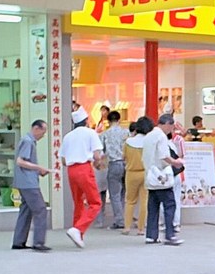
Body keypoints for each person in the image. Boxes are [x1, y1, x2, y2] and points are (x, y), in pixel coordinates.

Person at [60, 106, 104, 248]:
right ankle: (78, 229)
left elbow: (63, 160)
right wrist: (98, 163)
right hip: (84, 168)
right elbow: (97, 155)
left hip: (71, 170)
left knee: (78, 202)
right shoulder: (91, 133)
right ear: (86, 121)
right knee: (95, 202)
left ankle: (78, 233)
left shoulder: (68, 136)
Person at [142, 114, 185, 246]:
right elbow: (164, 156)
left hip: (150, 175)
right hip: (162, 177)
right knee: (169, 205)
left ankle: (151, 235)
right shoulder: (161, 136)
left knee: (153, 207)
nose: (171, 130)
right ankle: (170, 235)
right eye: (171, 127)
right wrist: (176, 162)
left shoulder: (148, 136)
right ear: (167, 124)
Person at [11, 119, 51, 252]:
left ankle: (19, 241)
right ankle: (38, 242)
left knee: (26, 210)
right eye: (43, 132)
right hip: (28, 183)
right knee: (40, 209)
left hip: (23, 181)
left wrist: (38, 171)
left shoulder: (27, 141)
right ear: (36, 128)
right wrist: (39, 168)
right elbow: (20, 161)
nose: (43, 135)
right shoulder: (28, 141)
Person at [122, 117, 150, 235]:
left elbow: (124, 157)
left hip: (131, 173)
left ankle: (127, 227)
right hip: (145, 173)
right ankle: (141, 229)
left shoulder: (128, 142)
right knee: (144, 201)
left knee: (130, 201)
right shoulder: (148, 142)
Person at [101, 110, 128, 229]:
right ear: (119, 119)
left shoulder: (105, 134)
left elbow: (101, 151)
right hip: (126, 164)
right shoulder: (126, 132)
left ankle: (119, 220)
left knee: (114, 194)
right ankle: (123, 217)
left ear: (108, 121)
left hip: (114, 164)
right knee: (122, 193)